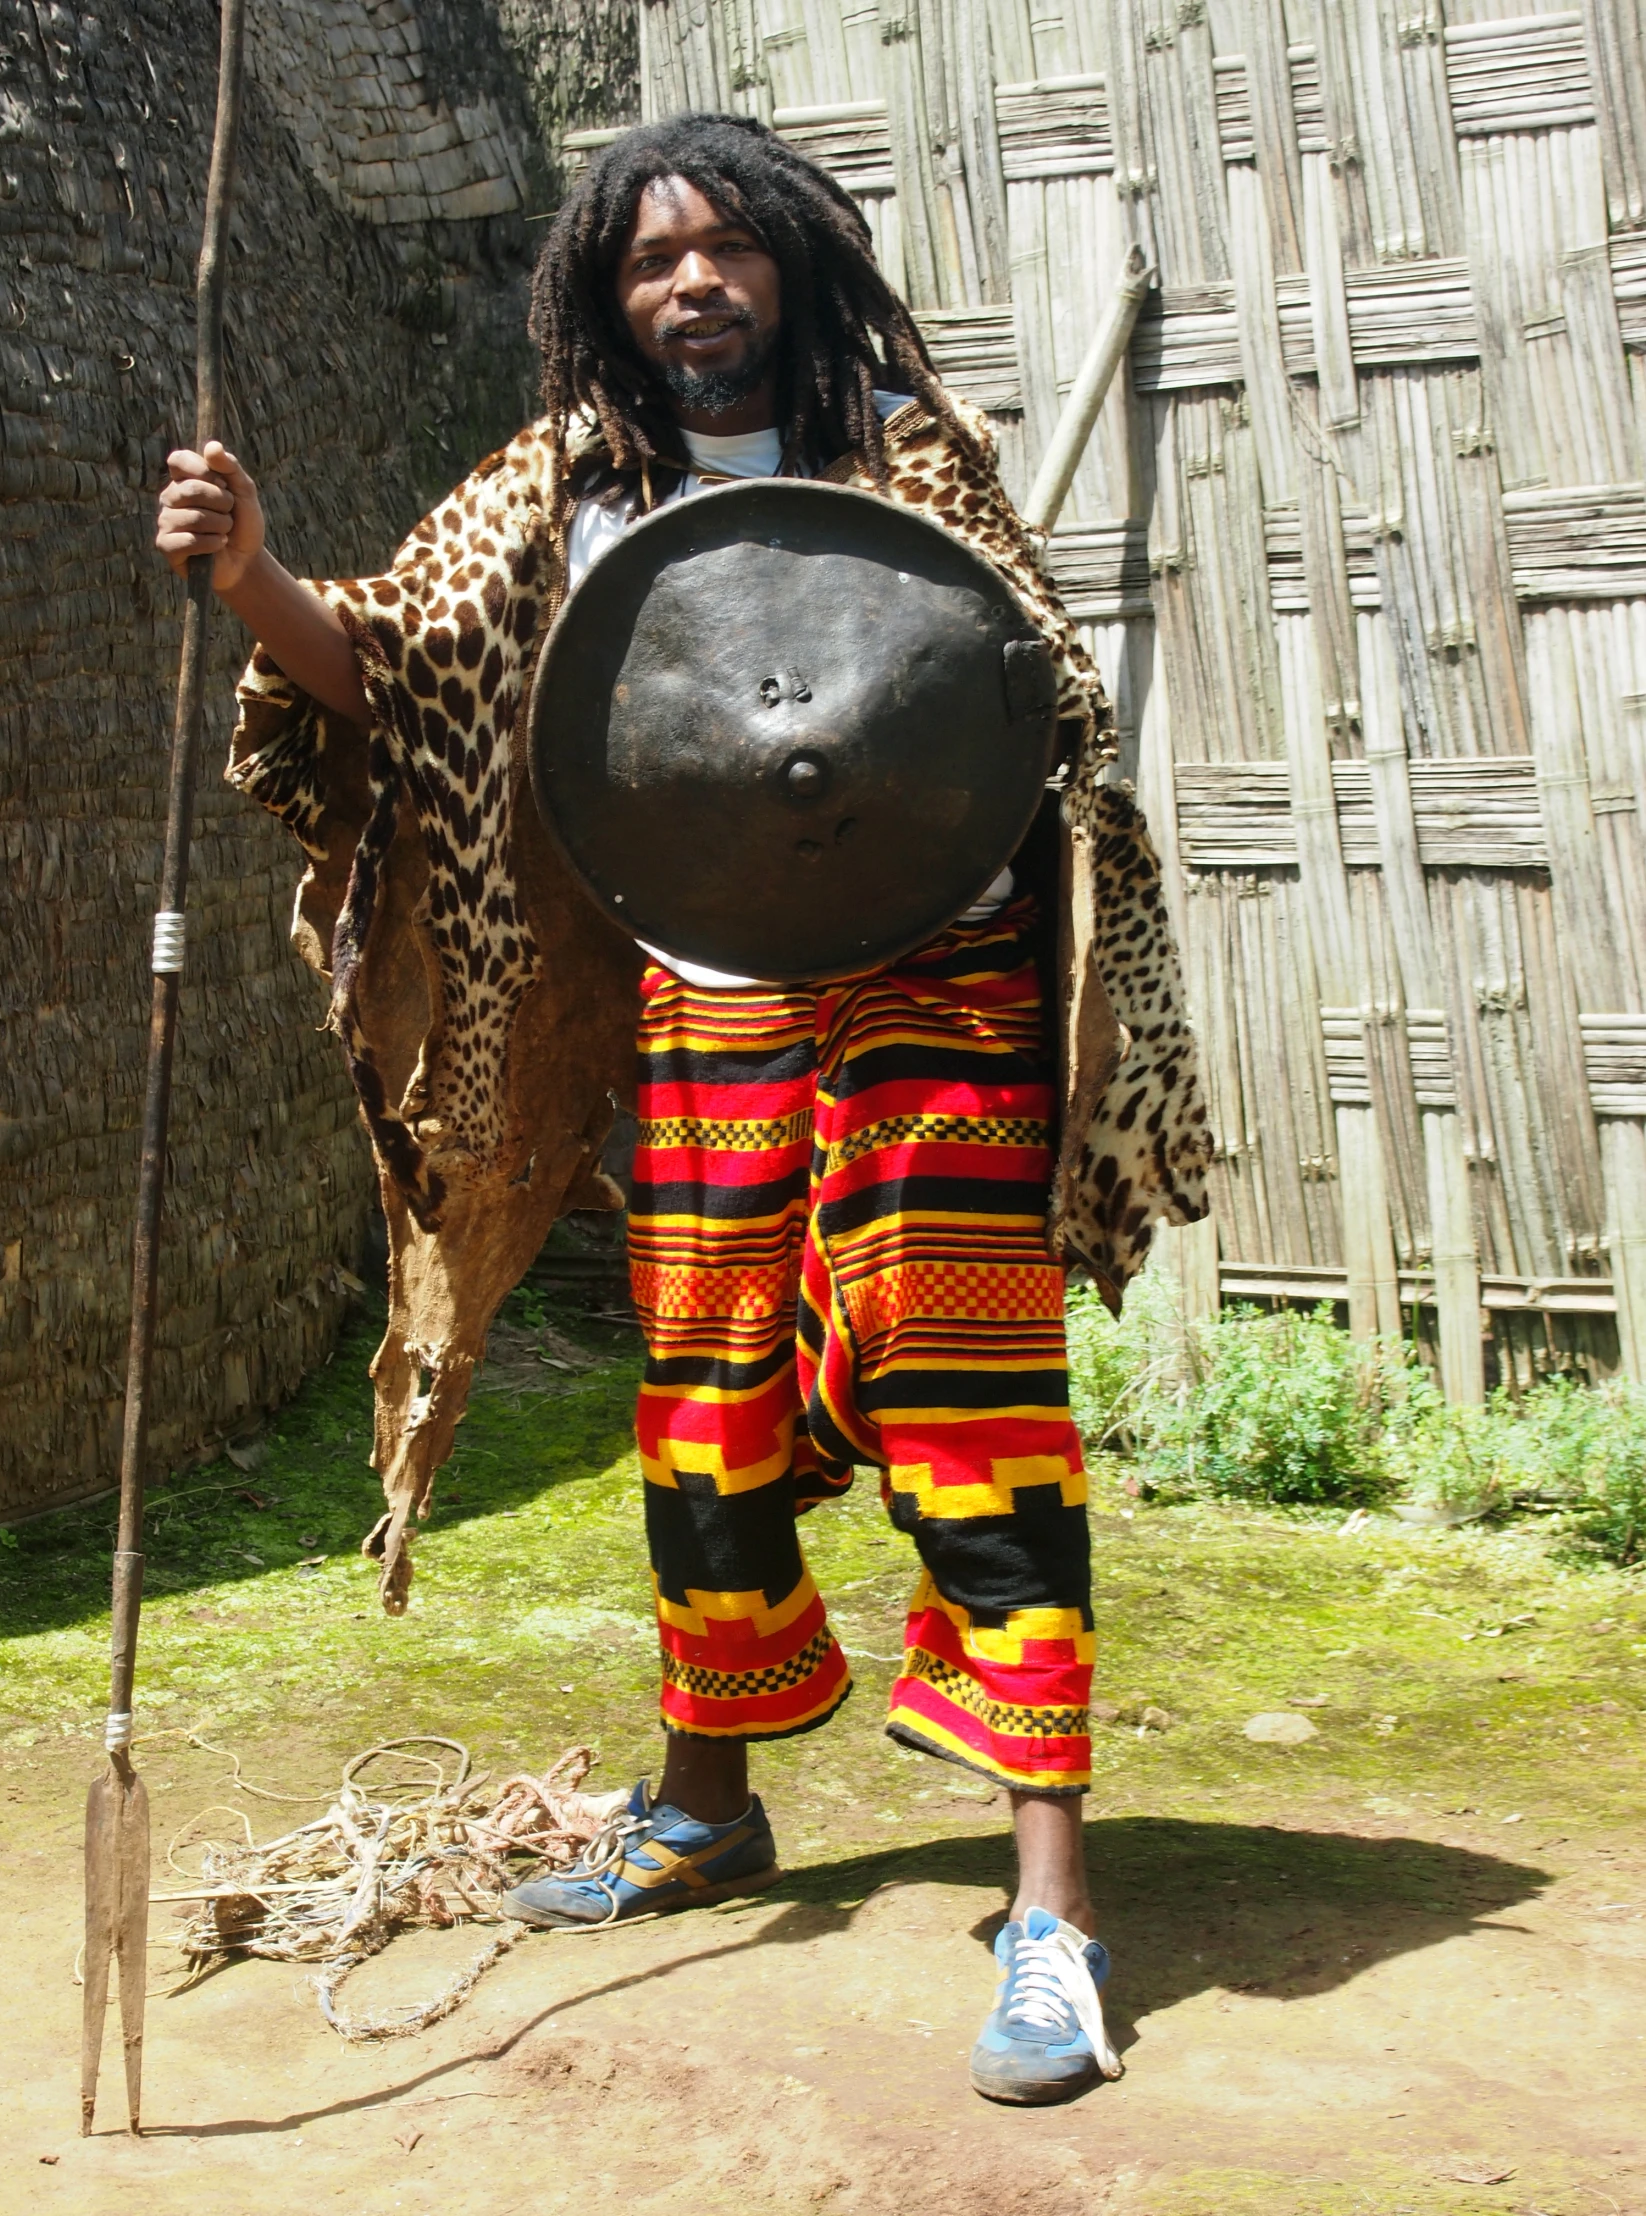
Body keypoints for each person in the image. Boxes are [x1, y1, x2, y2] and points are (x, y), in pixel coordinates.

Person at [156, 112, 1210, 2105]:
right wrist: (248, 571)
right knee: (705, 1406)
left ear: (794, 266)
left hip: (940, 980)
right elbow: (386, 675)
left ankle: (1054, 1909)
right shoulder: (559, 493)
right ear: (606, 298)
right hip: (712, 1002)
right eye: (652, 260)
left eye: (728, 246)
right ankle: (705, 1803)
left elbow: (1037, 699)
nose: (693, 282)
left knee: (975, 1410)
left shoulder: (902, 453)